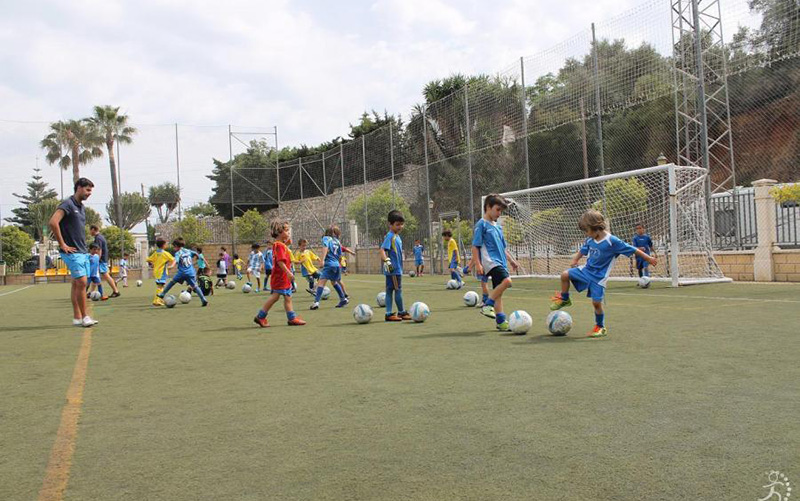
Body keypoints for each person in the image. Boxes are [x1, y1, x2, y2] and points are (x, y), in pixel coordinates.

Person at [550, 209, 658, 337]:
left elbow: (633, 249)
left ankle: (600, 327)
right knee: (565, 275)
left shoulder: (612, 241)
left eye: (587, 230)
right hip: (586, 270)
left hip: (599, 278)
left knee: (596, 303)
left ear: (596, 228)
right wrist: (575, 259)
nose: (586, 234)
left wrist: (649, 258)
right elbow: (583, 250)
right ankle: (565, 298)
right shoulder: (590, 240)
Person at [48, 177, 99, 327]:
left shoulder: (81, 207)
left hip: (82, 252)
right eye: (88, 190)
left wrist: (85, 250)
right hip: (71, 252)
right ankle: (85, 317)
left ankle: (77, 318)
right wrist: (62, 244)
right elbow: (53, 222)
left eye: (91, 190)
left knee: (77, 284)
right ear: (79, 188)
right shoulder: (67, 204)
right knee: (82, 282)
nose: (90, 193)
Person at [472, 194, 520, 332]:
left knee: (498, 293)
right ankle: (488, 305)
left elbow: (502, 247)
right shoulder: (481, 224)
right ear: (488, 207)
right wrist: (478, 264)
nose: (499, 213)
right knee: (507, 282)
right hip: (491, 262)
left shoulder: (497, 227)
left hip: (501, 262)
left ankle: (500, 321)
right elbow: (475, 246)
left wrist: (511, 261)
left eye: (501, 211)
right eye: (497, 210)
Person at [253, 221, 306, 327]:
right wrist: (288, 272)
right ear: (279, 232)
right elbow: (280, 261)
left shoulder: (279, 244)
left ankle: (291, 318)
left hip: (282, 276)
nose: (288, 232)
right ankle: (260, 316)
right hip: (281, 276)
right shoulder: (279, 246)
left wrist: (286, 244)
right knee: (276, 296)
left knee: (287, 296)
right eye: (286, 230)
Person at [380, 210, 412, 321]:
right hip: (393, 269)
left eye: (401, 224)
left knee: (390, 290)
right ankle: (399, 312)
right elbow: (382, 250)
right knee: (397, 290)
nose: (400, 227)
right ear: (390, 224)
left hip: (395, 269)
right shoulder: (390, 236)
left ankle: (391, 313)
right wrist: (387, 261)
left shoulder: (396, 236)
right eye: (397, 224)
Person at [157, 238, 208, 307]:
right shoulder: (188, 251)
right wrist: (199, 257)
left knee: (172, 282)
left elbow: (176, 260)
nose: (174, 248)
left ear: (176, 246)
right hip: (191, 272)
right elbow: (195, 253)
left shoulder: (178, 253)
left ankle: (162, 294)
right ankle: (203, 299)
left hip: (182, 273)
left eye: (174, 246)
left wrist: (172, 266)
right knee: (195, 286)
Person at [310, 225, 348, 310]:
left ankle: (316, 302)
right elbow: (340, 255)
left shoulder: (326, 238)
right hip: (336, 265)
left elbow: (325, 248)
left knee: (321, 283)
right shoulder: (337, 241)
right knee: (334, 282)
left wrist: (322, 260)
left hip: (329, 264)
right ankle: (343, 299)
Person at [89, 225, 120, 298]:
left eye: (90, 230)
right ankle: (91, 292)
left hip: (101, 260)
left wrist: (97, 259)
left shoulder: (98, 238)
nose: (90, 232)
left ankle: (116, 291)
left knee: (106, 275)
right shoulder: (100, 237)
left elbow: (99, 249)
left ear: (93, 229)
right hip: (103, 259)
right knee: (95, 274)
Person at [146, 238, 174, 306]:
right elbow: (173, 259)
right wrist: (171, 266)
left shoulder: (156, 253)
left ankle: (159, 300)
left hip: (156, 272)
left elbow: (148, 259)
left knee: (160, 286)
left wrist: (152, 264)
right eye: (166, 244)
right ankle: (157, 300)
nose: (166, 245)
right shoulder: (165, 253)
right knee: (160, 287)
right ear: (163, 245)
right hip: (162, 272)